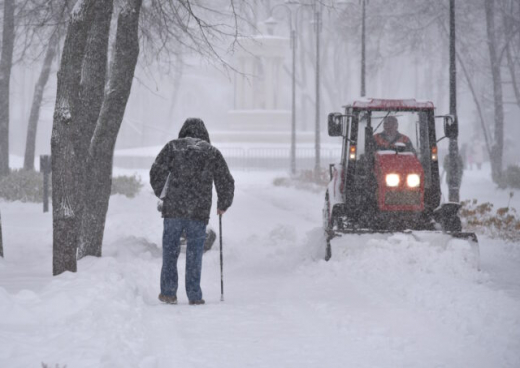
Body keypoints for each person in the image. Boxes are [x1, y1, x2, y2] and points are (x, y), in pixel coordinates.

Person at [150, 118, 235, 306]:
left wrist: (163, 194)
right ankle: (194, 295)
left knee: (170, 252)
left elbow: (156, 172)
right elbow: (225, 180)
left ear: (183, 131)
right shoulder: (211, 152)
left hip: (173, 209)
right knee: (194, 254)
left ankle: (168, 292)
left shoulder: (173, 147)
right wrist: (223, 203)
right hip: (198, 210)